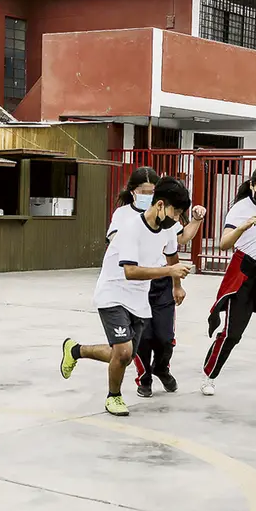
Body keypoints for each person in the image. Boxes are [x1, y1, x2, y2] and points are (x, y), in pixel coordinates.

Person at [59, 177, 192, 416]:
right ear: (160, 205)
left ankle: (75, 350)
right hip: (113, 292)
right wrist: (169, 271)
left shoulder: (169, 229)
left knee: (125, 355)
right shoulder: (131, 228)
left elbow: (172, 258)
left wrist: (176, 286)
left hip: (139, 299)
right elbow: (130, 272)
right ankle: (114, 397)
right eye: (176, 211)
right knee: (122, 353)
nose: (177, 218)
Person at [106, 167, 207, 398]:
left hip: (160, 281)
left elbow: (177, 243)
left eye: (153, 192)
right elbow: (120, 251)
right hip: (134, 284)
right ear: (133, 192)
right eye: (144, 191)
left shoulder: (167, 222)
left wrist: (176, 284)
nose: (149, 196)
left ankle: (162, 367)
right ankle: (144, 378)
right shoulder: (125, 218)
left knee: (165, 337)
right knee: (143, 339)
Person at [201, 164, 256, 397]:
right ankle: (209, 374)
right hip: (245, 273)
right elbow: (224, 243)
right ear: (252, 186)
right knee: (232, 333)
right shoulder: (240, 209)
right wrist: (244, 226)